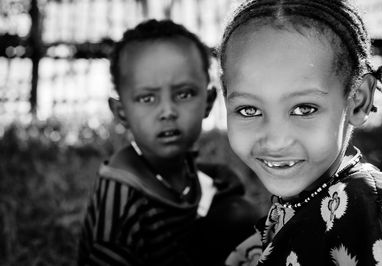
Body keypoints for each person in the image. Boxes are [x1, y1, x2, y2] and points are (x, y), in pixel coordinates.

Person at [218, 0, 382, 265]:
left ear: (358, 100)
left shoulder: (362, 206)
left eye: (304, 109)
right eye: (248, 110)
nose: (276, 140)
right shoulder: (301, 203)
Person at [78, 19, 261, 266]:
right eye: (147, 98)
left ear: (208, 102)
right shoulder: (121, 197)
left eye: (183, 94)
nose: (167, 111)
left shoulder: (175, 165)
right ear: (121, 112)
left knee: (241, 216)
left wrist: (217, 175)